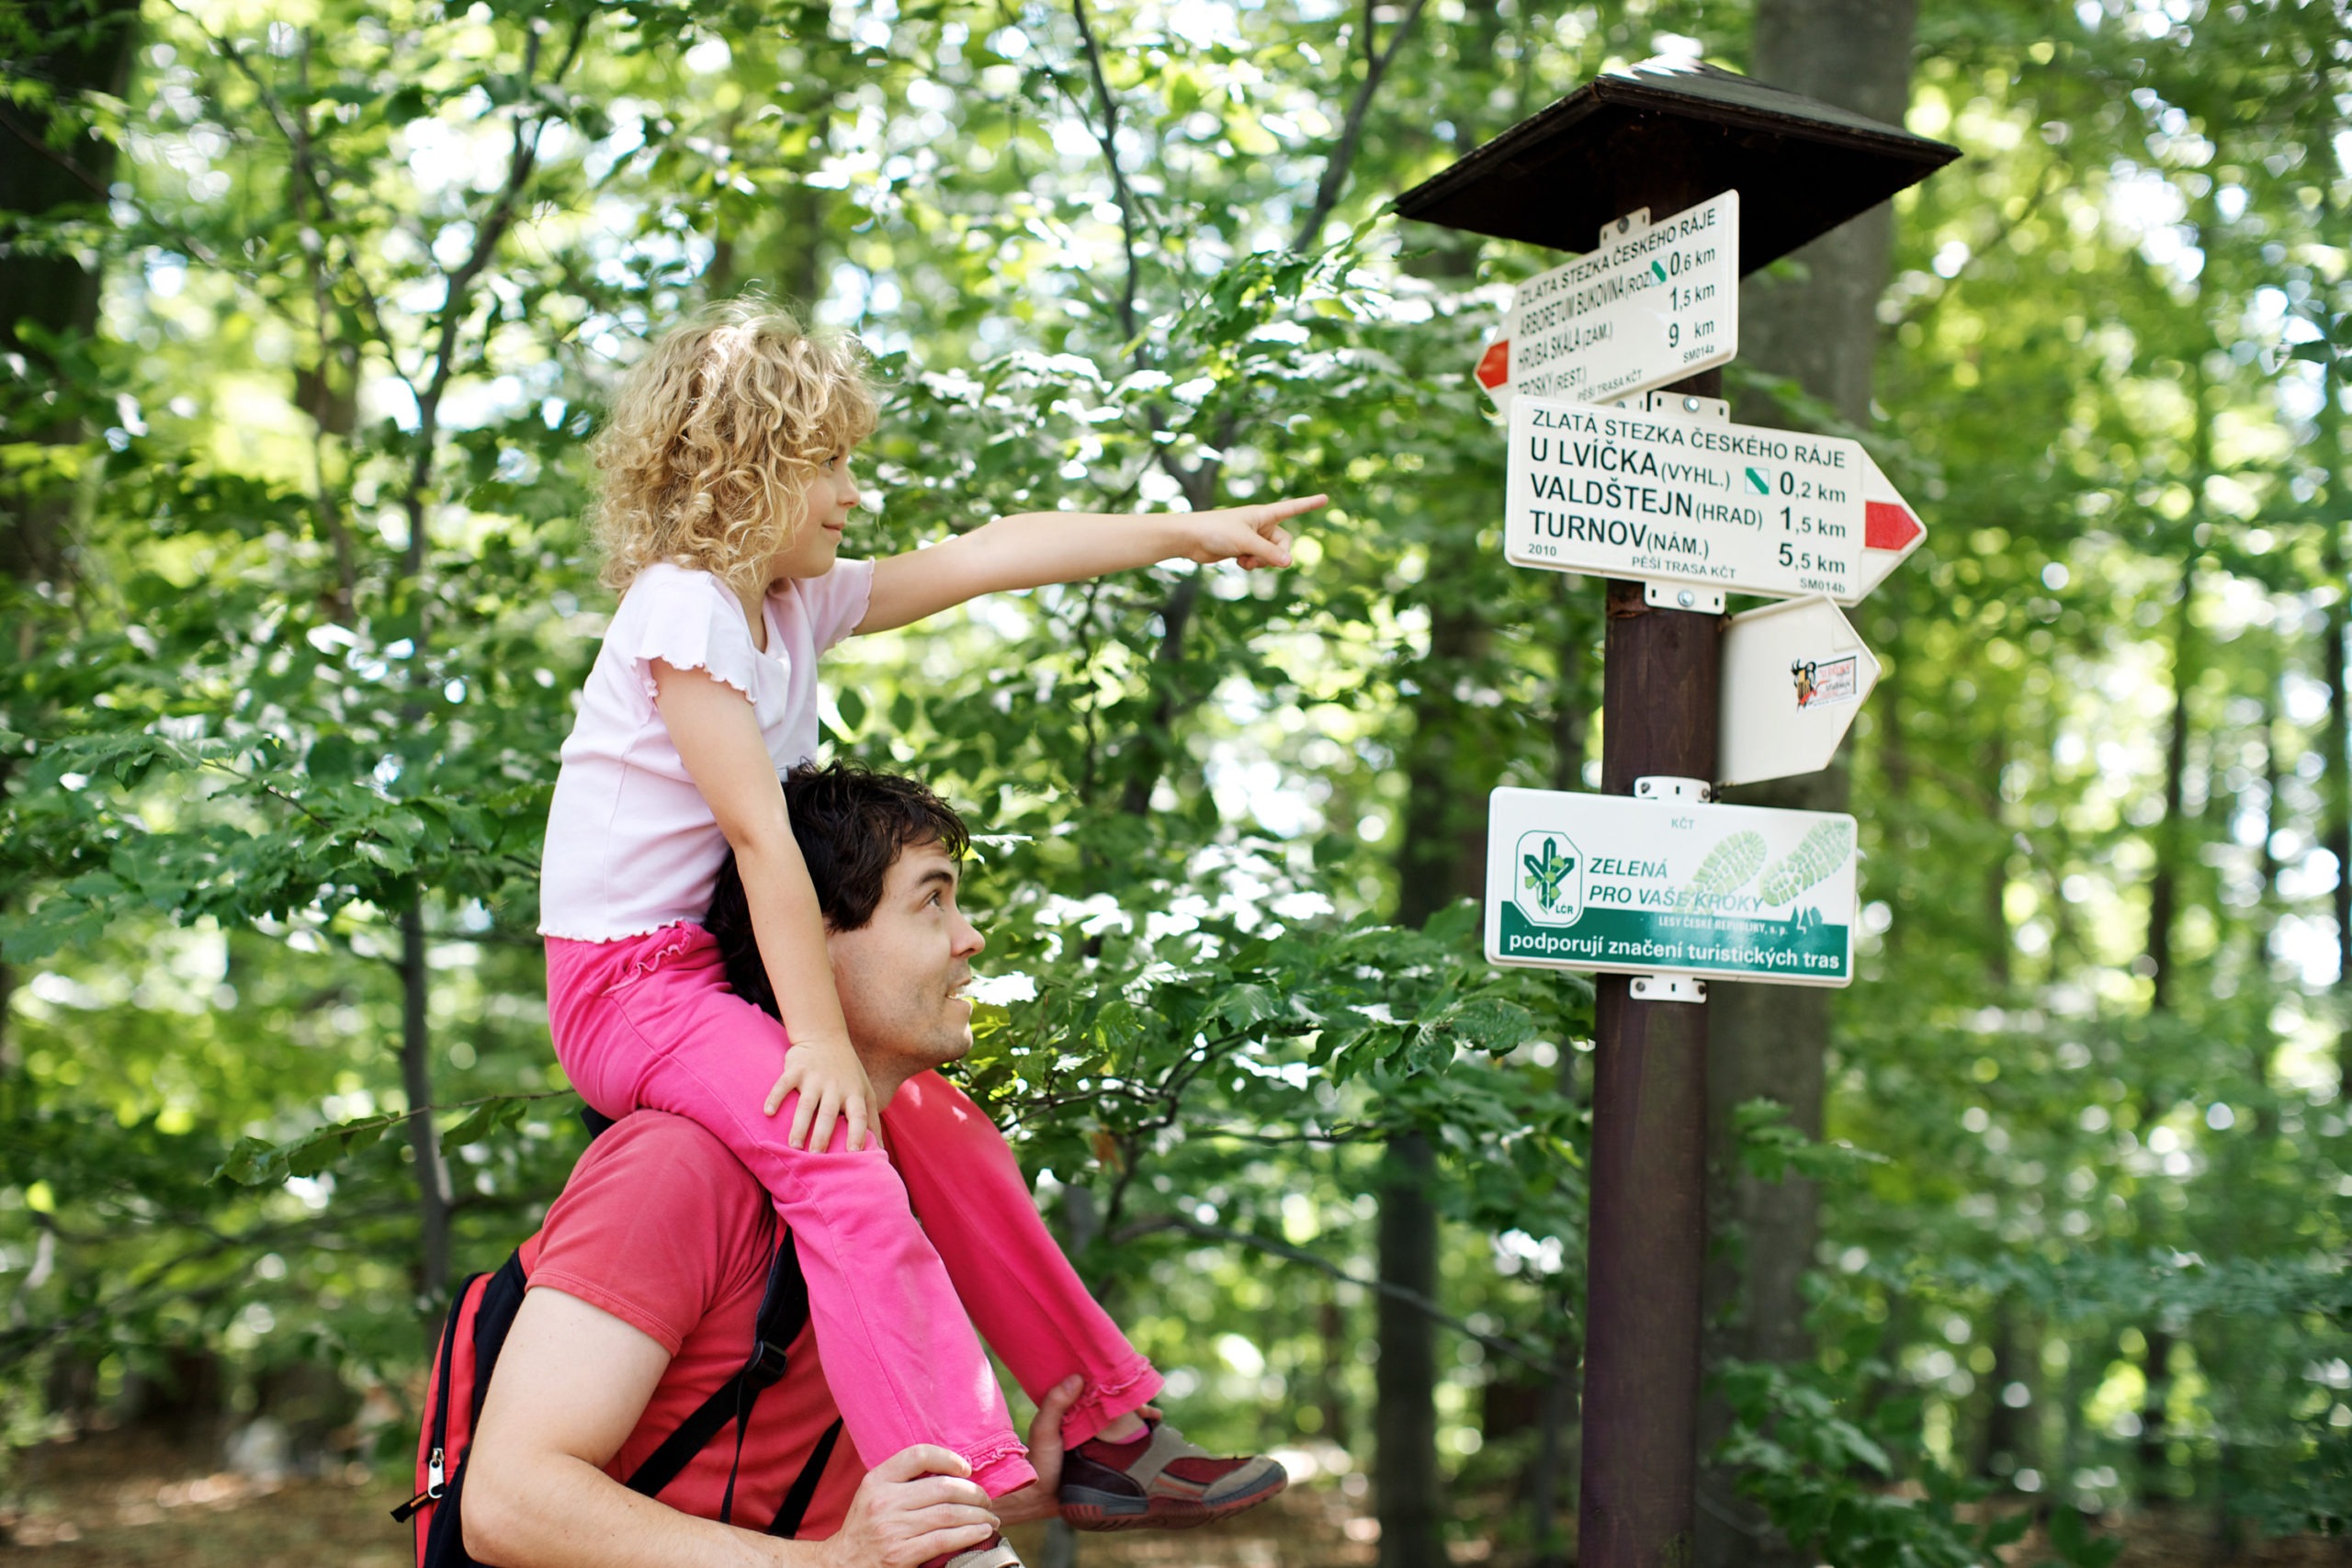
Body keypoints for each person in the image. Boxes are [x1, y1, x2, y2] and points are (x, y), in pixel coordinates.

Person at [537, 295, 1323, 1534]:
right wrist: (816, 1037)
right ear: (752, 465)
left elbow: (990, 550)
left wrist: (1186, 533)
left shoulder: (792, 605)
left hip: (713, 974)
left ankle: (1108, 1426)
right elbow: (754, 836)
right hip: (630, 984)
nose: (854, 490)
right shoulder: (682, 607)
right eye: (830, 463)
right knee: (838, 1148)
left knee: (936, 1121)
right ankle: (955, 1494)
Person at [469, 763, 1285, 1568]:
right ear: (804, 932)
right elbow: (510, 1501)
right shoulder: (675, 1168)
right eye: (932, 900)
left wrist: (990, 1495)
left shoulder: (920, 1158)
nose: (971, 937)